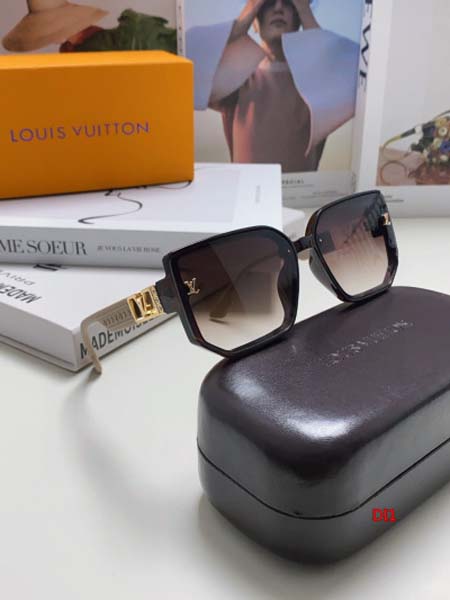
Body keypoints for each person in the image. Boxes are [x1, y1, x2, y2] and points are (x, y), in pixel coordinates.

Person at [186, 0, 359, 173]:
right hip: (248, 189)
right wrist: (239, 25)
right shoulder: (238, 79)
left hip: (302, 191)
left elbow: (360, 72)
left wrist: (305, 13)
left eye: (288, 2)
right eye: (268, 3)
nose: (278, 8)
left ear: (298, 17)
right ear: (254, 19)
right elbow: (184, 67)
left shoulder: (317, 81)